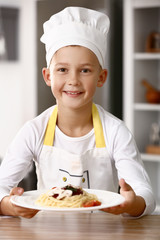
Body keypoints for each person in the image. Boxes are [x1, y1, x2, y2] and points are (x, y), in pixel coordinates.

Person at [0, 7, 155, 218]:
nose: (73, 80)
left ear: (101, 77)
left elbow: (146, 195)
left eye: (85, 70)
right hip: (49, 233)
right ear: (48, 76)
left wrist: (131, 203)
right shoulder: (34, 131)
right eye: (62, 69)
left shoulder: (116, 131)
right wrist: (11, 206)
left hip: (104, 233)